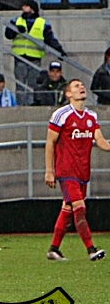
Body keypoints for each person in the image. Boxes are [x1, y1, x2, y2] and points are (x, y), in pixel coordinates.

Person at [45, 79, 109, 262]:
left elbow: (101, 141)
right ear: (68, 94)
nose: (81, 87)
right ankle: (91, 250)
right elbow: (50, 142)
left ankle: (53, 249)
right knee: (80, 208)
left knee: (67, 208)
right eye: (76, 86)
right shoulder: (61, 115)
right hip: (66, 171)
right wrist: (49, 171)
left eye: (82, 85)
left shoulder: (91, 116)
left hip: (83, 172)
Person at [5, 0, 64, 106]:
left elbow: (50, 39)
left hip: (35, 58)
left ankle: (32, 104)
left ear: (32, 8)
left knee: (34, 84)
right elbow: (8, 35)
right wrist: (15, 30)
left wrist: (59, 50)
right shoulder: (16, 21)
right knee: (20, 84)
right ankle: (22, 106)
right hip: (20, 57)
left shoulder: (42, 23)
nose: (22, 8)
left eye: (25, 6)